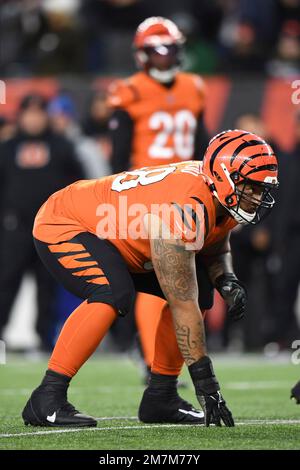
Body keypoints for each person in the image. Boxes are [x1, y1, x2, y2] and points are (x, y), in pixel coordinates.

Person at [22, 129, 278, 427]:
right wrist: (207, 386)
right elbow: (182, 302)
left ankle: (161, 396)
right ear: (224, 176)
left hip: (120, 237)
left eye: (261, 188)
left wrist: (226, 278)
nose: (257, 197)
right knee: (112, 293)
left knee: (204, 289)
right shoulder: (186, 206)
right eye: (251, 187)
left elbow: (216, 239)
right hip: (66, 221)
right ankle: (47, 396)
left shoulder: (218, 191)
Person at [107, 16, 210, 377]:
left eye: (169, 50)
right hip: (146, 193)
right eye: (157, 51)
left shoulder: (194, 87)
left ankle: (163, 361)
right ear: (143, 55)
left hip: (186, 191)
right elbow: (118, 155)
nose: (164, 58)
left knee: (184, 281)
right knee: (156, 278)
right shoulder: (129, 90)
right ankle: (153, 361)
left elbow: (202, 147)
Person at [0, 93, 84, 351]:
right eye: (30, 113)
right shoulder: (8, 147)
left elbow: (78, 183)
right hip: (15, 227)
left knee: (47, 285)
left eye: (39, 113)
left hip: (51, 228)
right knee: (6, 282)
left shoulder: (61, 145)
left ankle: (45, 340)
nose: (34, 119)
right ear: (21, 116)